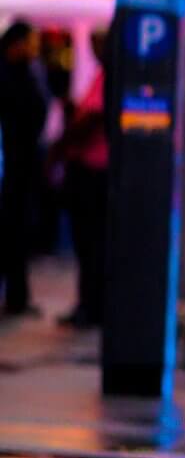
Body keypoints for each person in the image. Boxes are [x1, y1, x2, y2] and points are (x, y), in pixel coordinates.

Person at [55, 31, 110, 328]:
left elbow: (94, 118)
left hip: (94, 169)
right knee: (89, 243)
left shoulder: (110, 76)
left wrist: (64, 144)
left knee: (91, 243)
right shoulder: (103, 75)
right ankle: (88, 304)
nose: (94, 49)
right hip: (90, 168)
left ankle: (91, 306)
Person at [0, 21, 48, 317]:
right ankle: (15, 296)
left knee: (17, 232)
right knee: (11, 230)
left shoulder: (26, 71)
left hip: (21, 165)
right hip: (12, 165)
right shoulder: (10, 75)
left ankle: (17, 296)